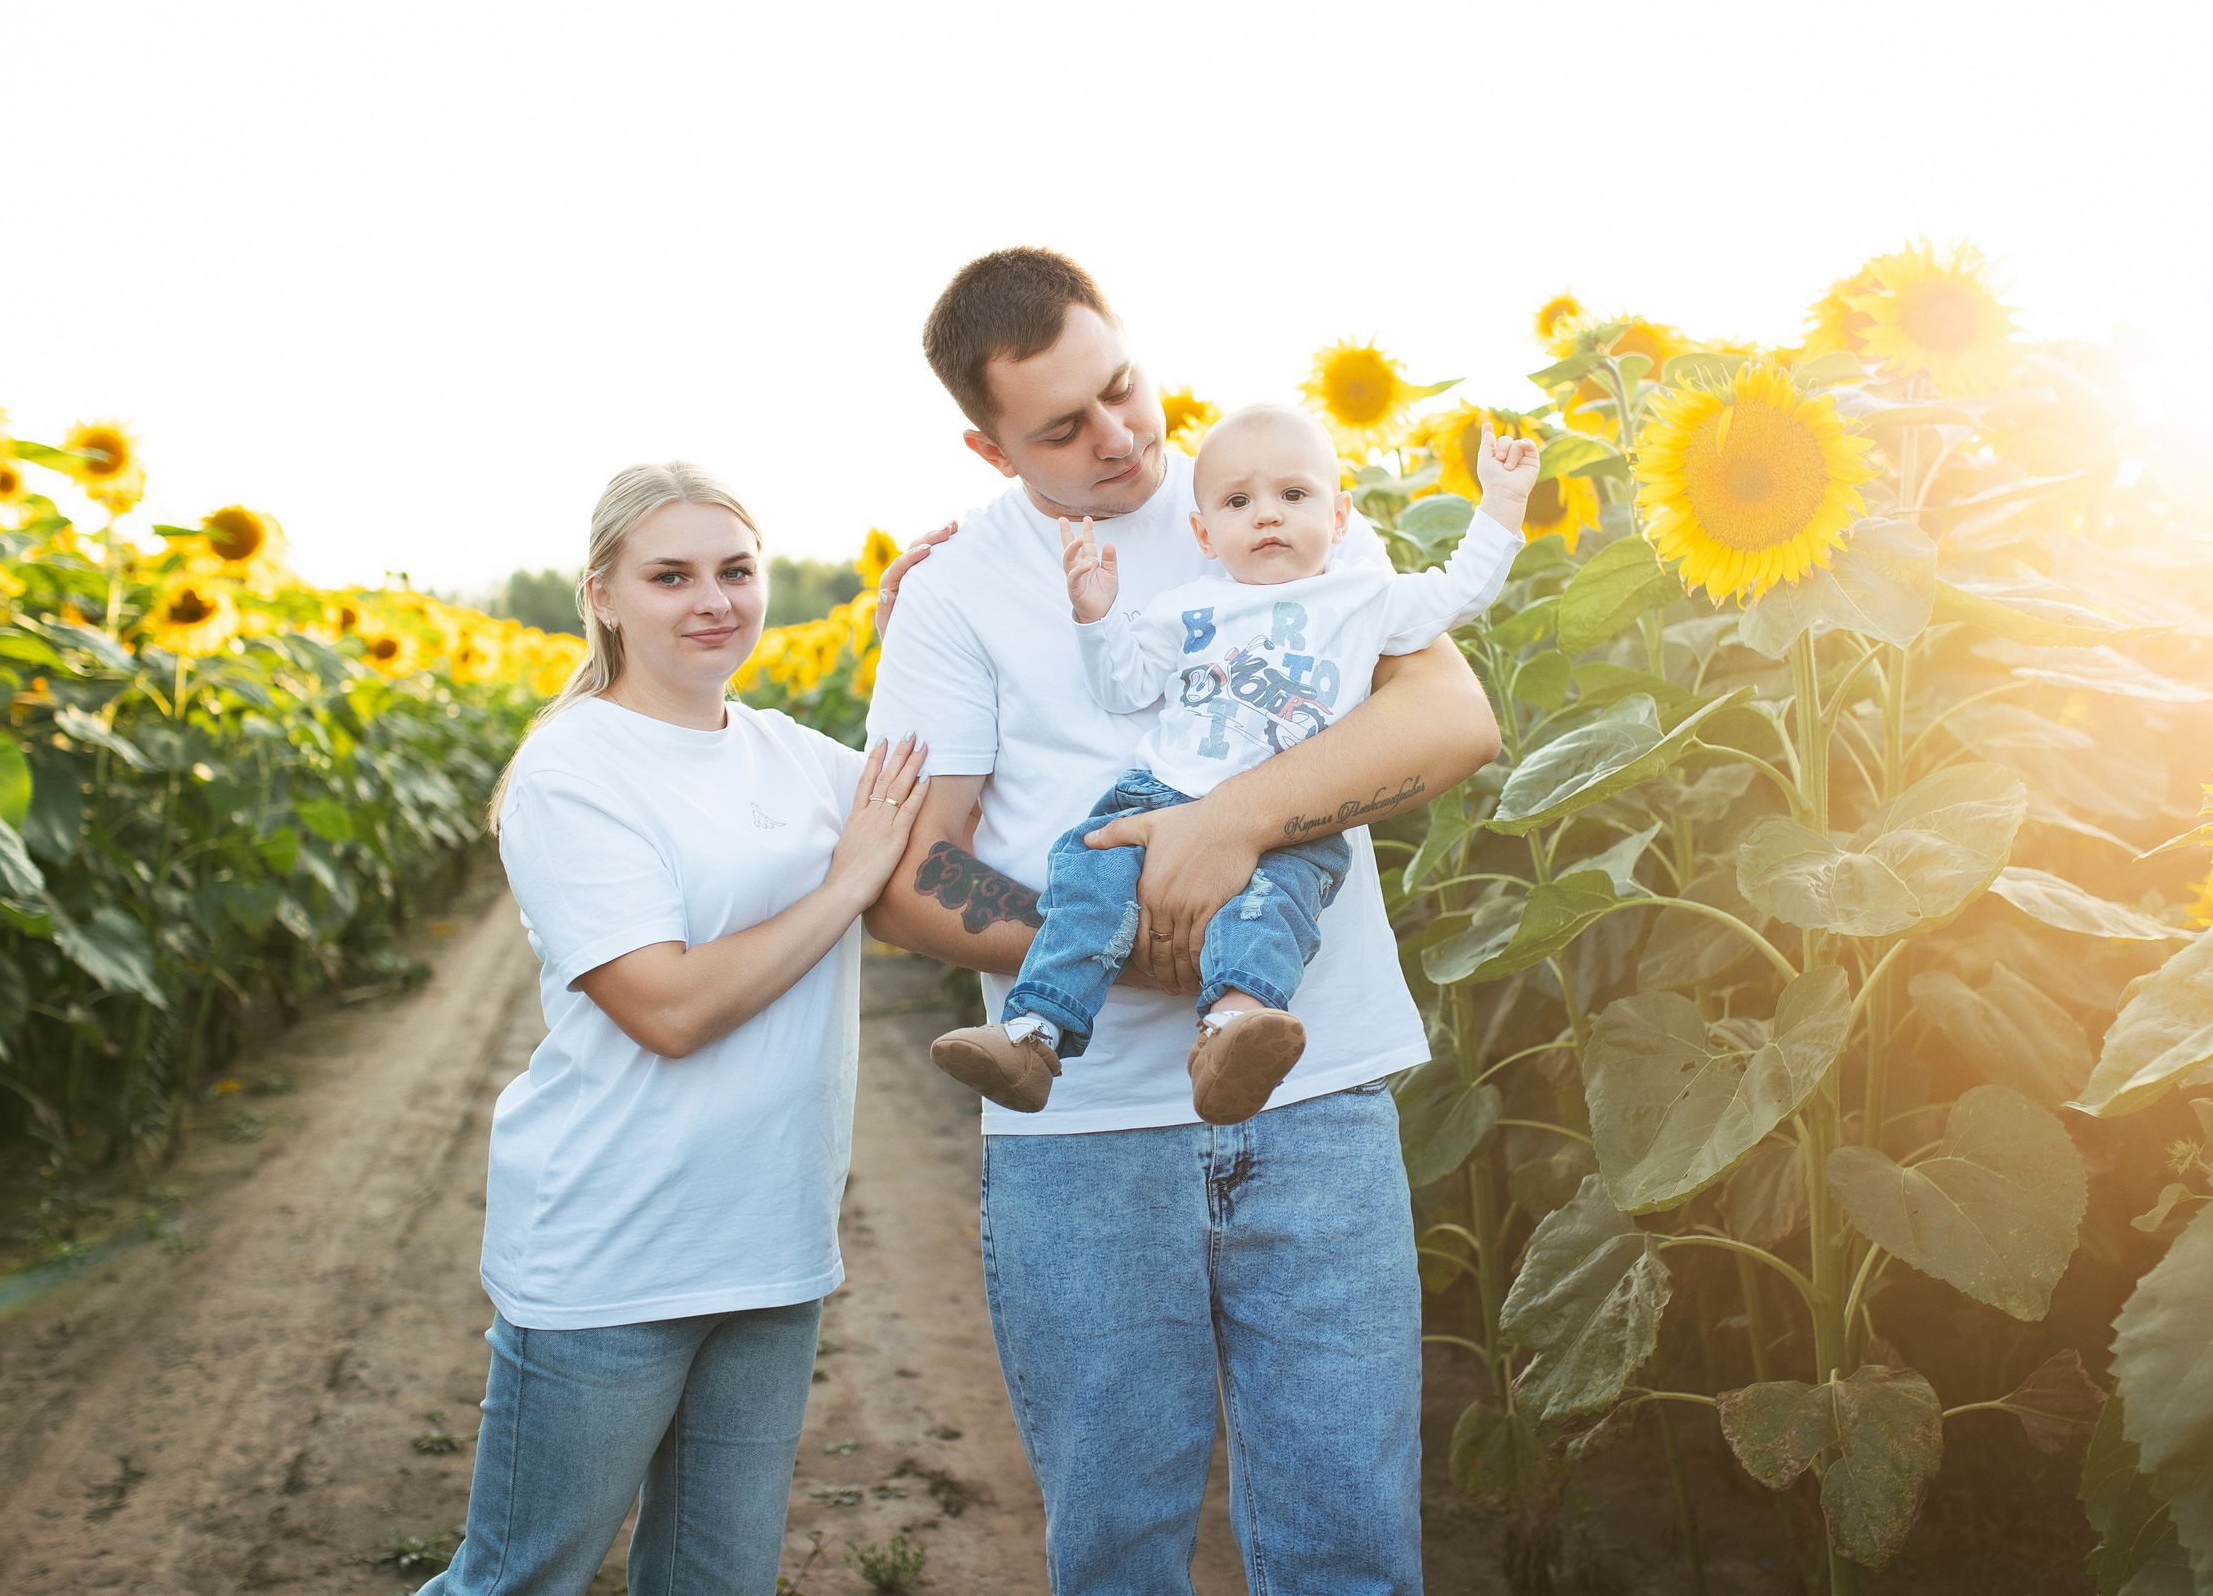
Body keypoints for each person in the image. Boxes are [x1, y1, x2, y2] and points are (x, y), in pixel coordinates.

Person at [863, 247, 1504, 1594]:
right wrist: (1123, 944)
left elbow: (1450, 717)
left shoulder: (1269, 491)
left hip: (1315, 1092)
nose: (1118, 437)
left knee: (1351, 1551)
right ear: (988, 448)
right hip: (1085, 1134)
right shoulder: (954, 591)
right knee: (1116, 1553)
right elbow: (917, 874)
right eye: (1061, 428)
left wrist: (1230, 827)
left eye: (1122, 386)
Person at [423, 462, 929, 1596]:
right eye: (671, 576)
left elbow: (940, 853)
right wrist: (845, 885)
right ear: (602, 595)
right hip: (615, 1250)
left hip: (769, 1241)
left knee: (717, 1581)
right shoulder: (573, 768)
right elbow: (669, 1007)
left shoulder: (794, 754)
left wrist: (1112, 933)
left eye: (735, 571)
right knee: (518, 1579)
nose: (713, 601)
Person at [929, 403, 1535, 1123]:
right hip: (1157, 797)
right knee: (1088, 882)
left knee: (1273, 911)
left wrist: (1501, 504)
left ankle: (1234, 1034)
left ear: (1341, 517)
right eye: (1238, 502)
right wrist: (1097, 616)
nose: (1267, 515)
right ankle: (1032, 1034)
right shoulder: (1186, 608)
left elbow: (1460, 591)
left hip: (1295, 822)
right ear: (1203, 533)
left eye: (1294, 494)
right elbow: (1124, 686)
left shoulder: (1364, 596)